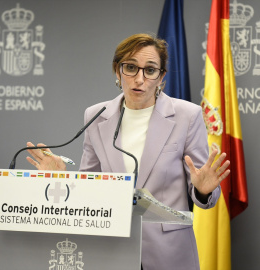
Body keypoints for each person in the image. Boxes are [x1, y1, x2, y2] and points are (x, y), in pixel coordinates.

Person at [26, 33, 230, 270]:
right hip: (113, 251)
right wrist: (62, 177)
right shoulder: (96, 115)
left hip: (170, 253)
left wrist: (204, 191)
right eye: (131, 67)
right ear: (117, 71)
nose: (139, 79)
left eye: (150, 70)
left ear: (161, 76)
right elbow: (89, 188)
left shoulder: (187, 116)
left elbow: (206, 196)